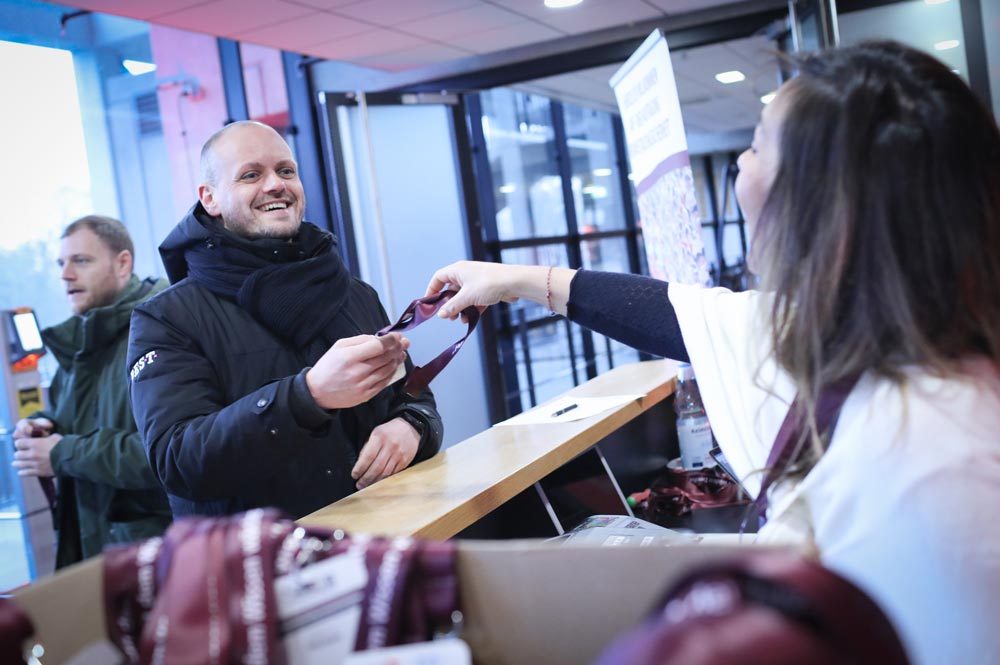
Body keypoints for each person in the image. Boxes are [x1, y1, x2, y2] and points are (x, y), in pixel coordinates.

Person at [425, 41, 1000, 665]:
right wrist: (514, 280)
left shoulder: (941, 466)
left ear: (819, 204)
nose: (740, 171)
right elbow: (684, 314)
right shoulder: (865, 336)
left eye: (755, 145)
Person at [127, 120, 442, 519]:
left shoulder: (354, 293)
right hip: (266, 568)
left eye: (286, 171)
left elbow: (413, 396)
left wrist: (412, 426)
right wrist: (307, 397)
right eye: (251, 175)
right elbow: (178, 462)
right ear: (210, 199)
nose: (275, 184)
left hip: (389, 542)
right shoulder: (166, 319)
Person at [12, 215, 172, 568]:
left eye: (80, 261)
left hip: (153, 556)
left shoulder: (161, 330)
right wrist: (43, 425)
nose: (65, 275)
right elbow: (70, 416)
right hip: (95, 547)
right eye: (61, 264)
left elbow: (167, 453)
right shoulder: (83, 342)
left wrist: (62, 453)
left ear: (122, 263)